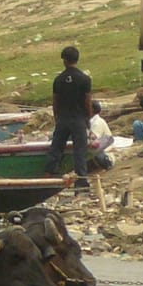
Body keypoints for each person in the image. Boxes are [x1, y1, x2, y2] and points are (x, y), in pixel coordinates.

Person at [43, 45, 95, 188]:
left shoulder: (58, 79)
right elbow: (87, 101)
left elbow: (55, 102)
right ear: (77, 59)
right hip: (78, 119)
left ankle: (48, 176)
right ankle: (81, 181)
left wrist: (56, 118)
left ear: (64, 60)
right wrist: (88, 119)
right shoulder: (85, 79)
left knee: (56, 148)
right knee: (80, 151)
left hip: (63, 118)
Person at [89, 100, 115, 171]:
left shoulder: (97, 122)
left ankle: (106, 163)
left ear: (92, 109)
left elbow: (93, 138)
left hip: (104, 152)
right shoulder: (92, 121)